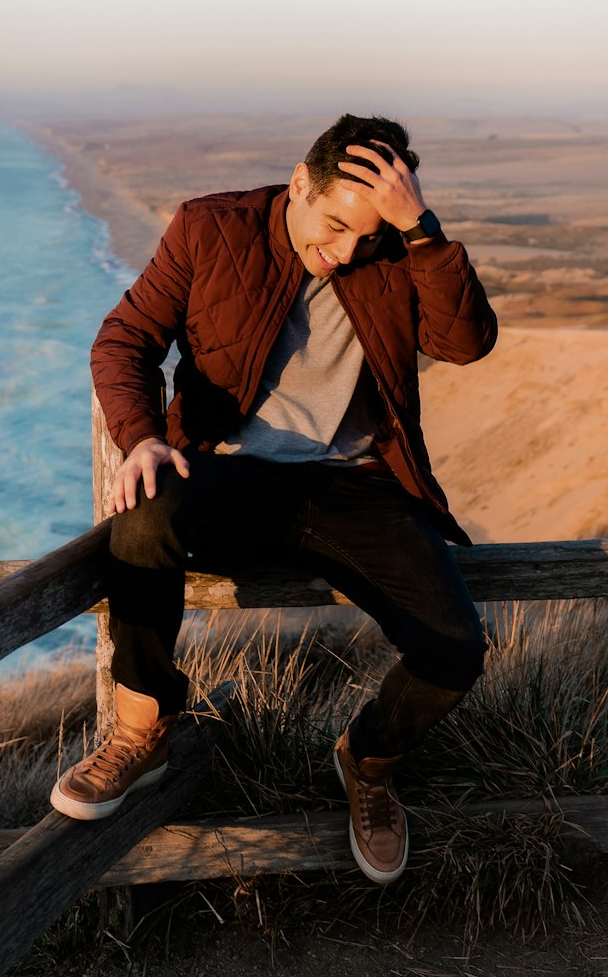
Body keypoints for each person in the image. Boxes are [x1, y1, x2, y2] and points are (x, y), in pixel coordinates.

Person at [51, 114, 497, 884]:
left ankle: (368, 761)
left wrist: (420, 231)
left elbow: (465, 344)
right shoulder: (208, 227)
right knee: (144, 516)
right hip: (232, 475)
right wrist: (144, 437)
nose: (347, 252)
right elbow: (124, 339)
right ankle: (143, 729)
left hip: (359, 486)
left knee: (454, 648)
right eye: (333, 227)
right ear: (299, 182)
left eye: (367, 235)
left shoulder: (397, 245)